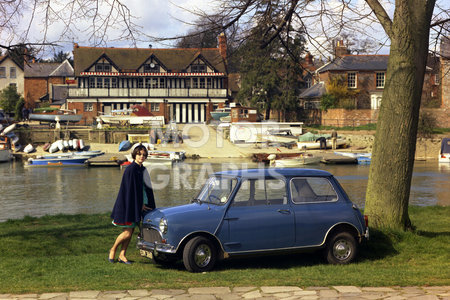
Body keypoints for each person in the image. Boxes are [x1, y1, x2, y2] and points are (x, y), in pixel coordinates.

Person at [109, 144, 155, 264]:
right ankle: (113, 250)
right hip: (129, 206)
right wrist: (139, 205)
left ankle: (122, 255)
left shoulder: (142, 169)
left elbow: (146, 188)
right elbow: (130, 192)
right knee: (127, 232)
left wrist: (147, 203)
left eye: (144, 155)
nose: (142, 157)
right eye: (139, 154)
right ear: (135, 154)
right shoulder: (131, 169)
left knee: (131, 232)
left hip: (139, 205)